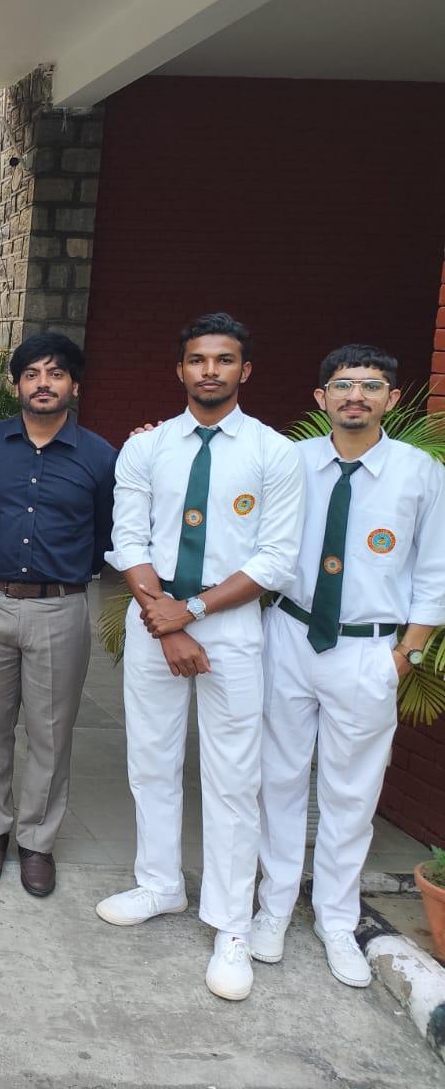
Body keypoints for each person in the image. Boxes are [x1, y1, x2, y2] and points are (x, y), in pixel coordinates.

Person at [99, 312, 303, 1003]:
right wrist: (166, 618)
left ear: (246, 371)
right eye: (197, 359)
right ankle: (159, 884)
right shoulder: (148, 449)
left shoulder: (276, 454)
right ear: (179, 370)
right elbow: (128, 538)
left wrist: (196, 612)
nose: (209, 370)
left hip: (232, 628)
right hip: (157, 617)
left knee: (232, 777)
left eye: (223, 360)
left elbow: (276, 559)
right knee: (151, 760)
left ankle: (231, 923)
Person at [253, 344, 445, 988]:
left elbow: (434, 574)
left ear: (392, 398)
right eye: (342, 384)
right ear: (321, 399)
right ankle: (273, 907)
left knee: (351, 793)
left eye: (371, 385)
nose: (355, 394)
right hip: (290, 635)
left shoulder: (419, 473)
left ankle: (336, 920)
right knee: (277, 779)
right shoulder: (291, 460)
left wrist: (403, 657)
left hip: (368, 651)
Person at [0, 332, 115, 897]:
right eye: (32, 373)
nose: (43, 383)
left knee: (50, 733)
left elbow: (106, 536)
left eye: (55, 374)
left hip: (60, 607)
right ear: (16, 383)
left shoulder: (100, 456)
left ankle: (36, 843)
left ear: (74, 384)